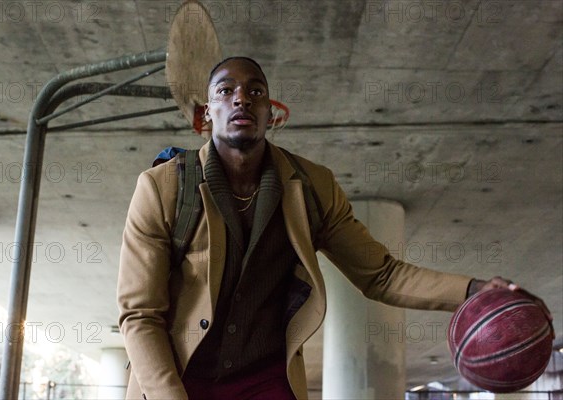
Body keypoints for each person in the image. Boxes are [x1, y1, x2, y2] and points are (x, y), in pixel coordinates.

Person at [117, 57, 549, 400]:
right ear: (207, 113)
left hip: (265, 382)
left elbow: (381, 274)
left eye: (256, 91)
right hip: (175, 380)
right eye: (225, 91)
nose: (241, 99)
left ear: (273, 113)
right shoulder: (163, 188)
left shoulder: (312, 187)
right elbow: (140, 316)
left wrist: (474, 290)